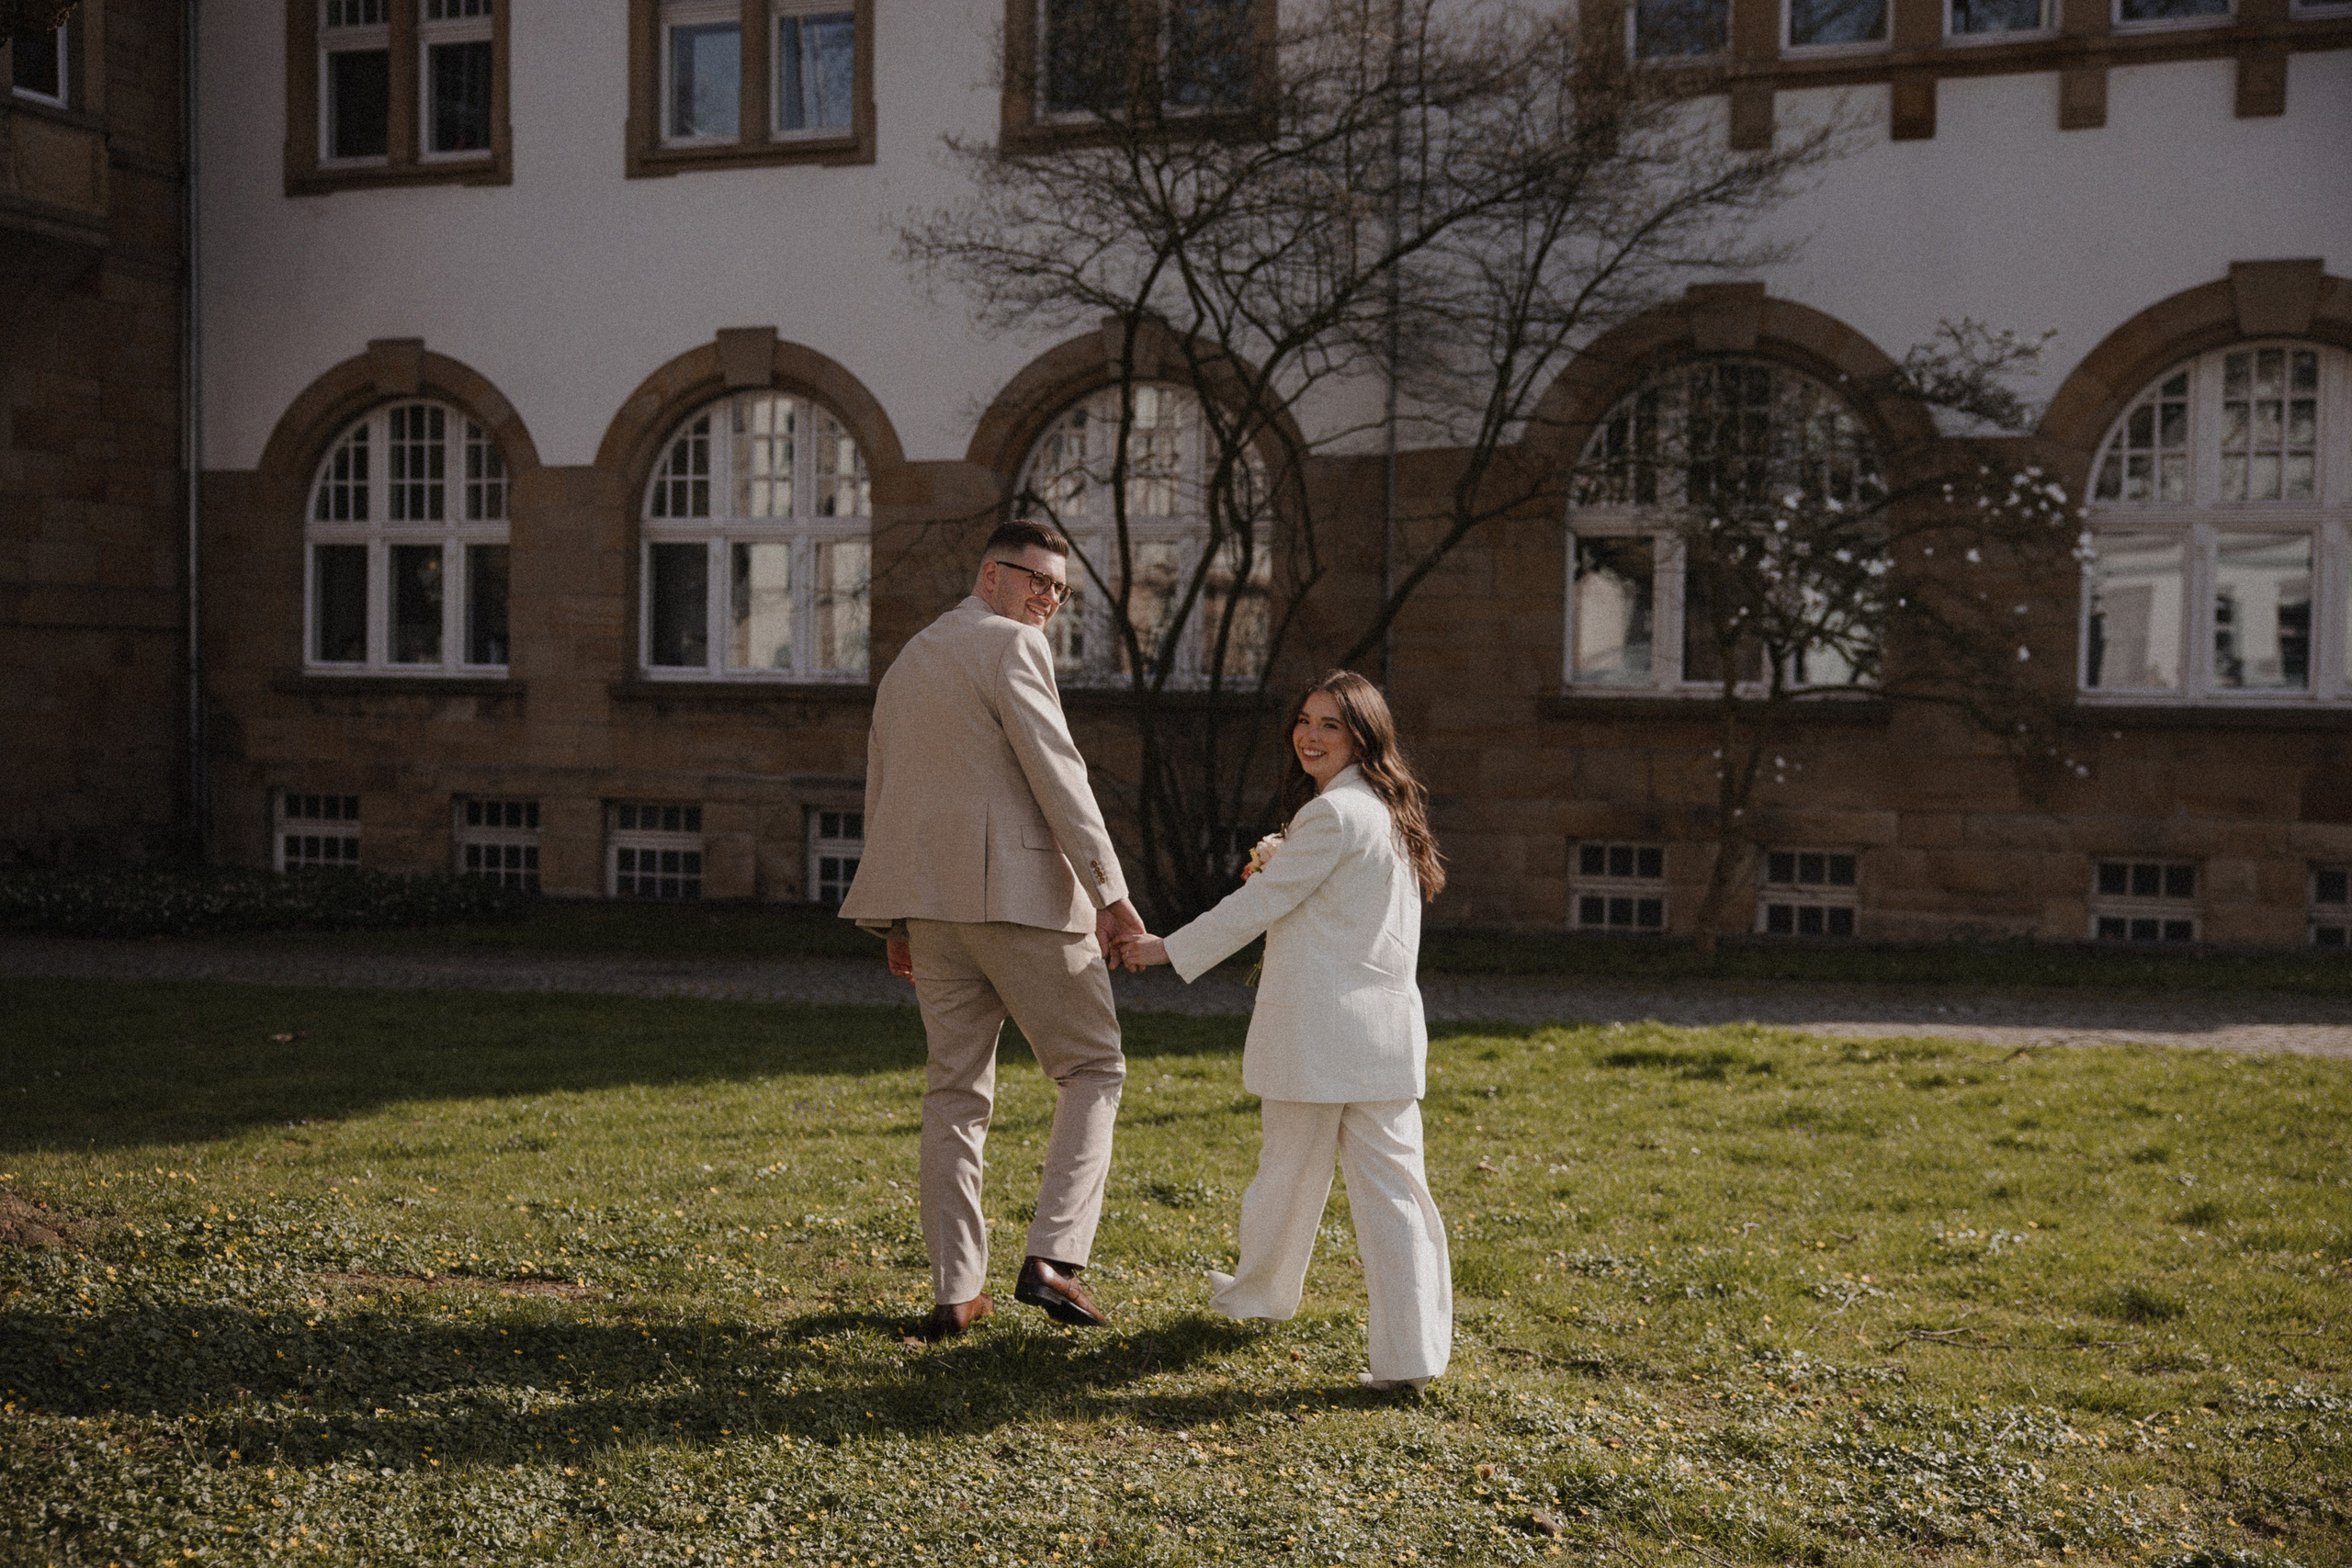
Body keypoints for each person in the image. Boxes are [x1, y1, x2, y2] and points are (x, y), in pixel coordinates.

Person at [839, 519, 1147, 1341]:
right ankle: (1054, 1257)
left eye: (1059, 588)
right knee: (1092, 1066)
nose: (1046, 598)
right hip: (1020, 898)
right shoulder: (1011, 646)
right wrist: (1111, 895)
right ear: (989, 576)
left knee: (954, 1094)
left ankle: (955, 1294)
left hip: (933, 908)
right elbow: (1061, 776)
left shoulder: (910, 658)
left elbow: (883, 788)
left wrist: (895, 914)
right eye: (1034, 580)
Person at [1115, 669, 1451, 1391]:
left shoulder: (1333, 816)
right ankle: (1410, 1356)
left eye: (1331, 724)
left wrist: (1166, 947)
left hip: (1318, 1037)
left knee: (1287, 1179)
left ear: (1363, 735)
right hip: (1385, 1037)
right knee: (1395, 1196)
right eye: (1304, 720)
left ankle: (1258, 1294)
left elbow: (1260, 902)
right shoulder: (1388, 810)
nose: (1310, 735)